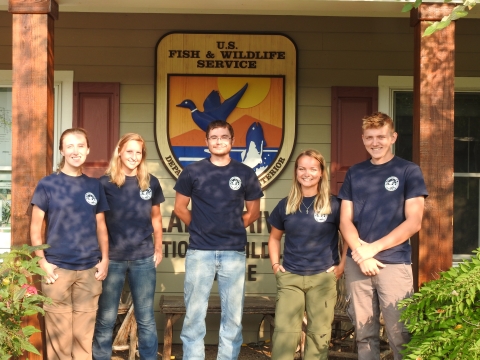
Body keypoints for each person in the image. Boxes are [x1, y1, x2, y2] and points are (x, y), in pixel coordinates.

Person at [338, 112, 428, 360]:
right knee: (364, 335)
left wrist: (372, 249)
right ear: (363, 139)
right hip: (358, 263)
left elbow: (414, 222)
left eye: (381, 137)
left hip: (395, 262)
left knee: (400, 333)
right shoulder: (355, 173)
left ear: (393, 137)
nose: (375, 142)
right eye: (369, 137)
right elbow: (345, 219)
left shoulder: (408, 171)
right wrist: (361, 254)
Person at [173, 120, 263, 360]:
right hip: (200, 251)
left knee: (232, 316)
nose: (219, 141)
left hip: (233, 252)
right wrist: (202, 226)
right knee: (194, 315)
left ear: (232, 142)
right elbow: (180, 208)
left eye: (224, 137)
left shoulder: (245, 172)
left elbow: (253, 212)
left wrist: (232, 226)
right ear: (206, 141)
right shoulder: (193, 171)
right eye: (214, 137)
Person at [30, 128, 109, 360]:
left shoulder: (95, 186)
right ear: (62, 151)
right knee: (59, 340)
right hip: (57, 270)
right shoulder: (47, 185)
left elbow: (101, 226)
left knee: (84, 338)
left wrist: (104, 260)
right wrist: (42, 263)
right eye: (70, 146)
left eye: (80, 146)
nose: (76, 151)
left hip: (89, 271)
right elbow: (35, 228)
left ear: (88, 149)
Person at [268, 149, 347, 360]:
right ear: (296, 172)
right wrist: (276, 266)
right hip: (290, 277)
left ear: (321, 173)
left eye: (313, 169)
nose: (307, 173)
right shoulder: (285, 205)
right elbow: (274, 238)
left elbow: (349, 237)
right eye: (302, 168)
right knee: (284, 334)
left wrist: (342, 266)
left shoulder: (334, 204)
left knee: (319, 335)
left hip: (323, 277)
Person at [93, 133, 165, 360]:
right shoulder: (104, 183)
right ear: (120, 152)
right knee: (106, 316)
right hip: (112, 259)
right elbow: (99, 222)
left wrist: (159, 247)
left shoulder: (150, 182)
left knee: (145, 318)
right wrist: (101, 256)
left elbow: (156, 219)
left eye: (138, 152)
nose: (134, 156)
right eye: (130, 151)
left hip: (143, 258)